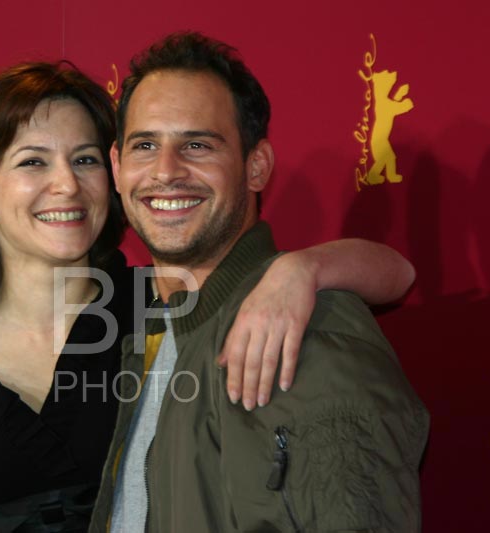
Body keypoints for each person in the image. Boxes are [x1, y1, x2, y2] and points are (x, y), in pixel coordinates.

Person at [0, 62, 416, 533]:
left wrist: (305, 268)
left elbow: (397, 273)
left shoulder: (164, 303)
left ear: (113, 177)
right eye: (32, 161)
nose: (67, 184)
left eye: (86, 159)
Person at [89, 33, 430, 533]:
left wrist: (304, 271)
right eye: (146, 145)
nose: (165, 171)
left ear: (256, 166)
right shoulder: (149, 326)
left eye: (197, 145)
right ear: (118, 168)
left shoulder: (311, 330)